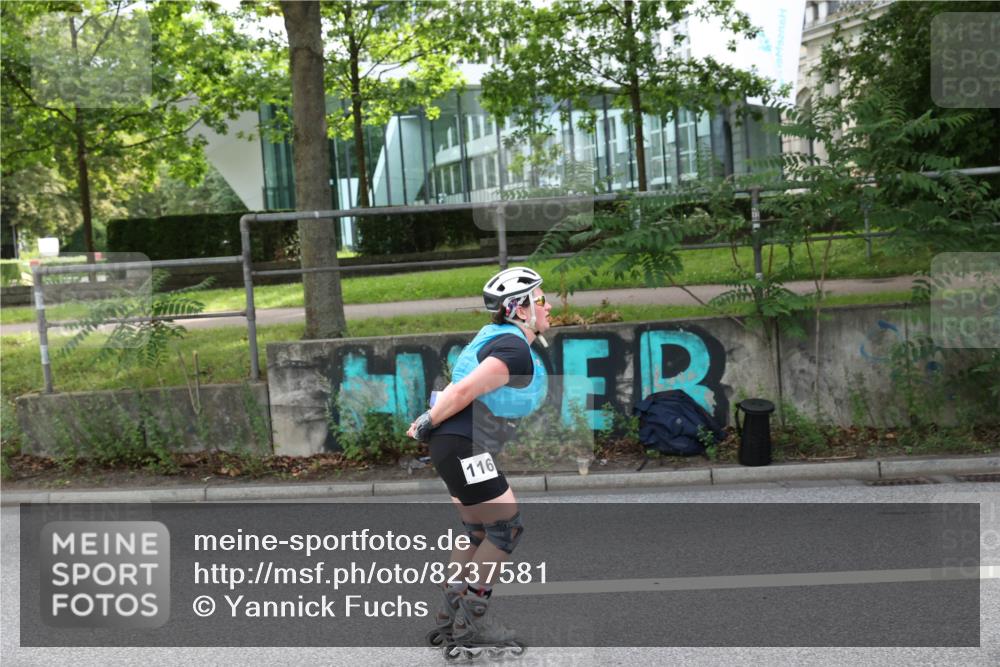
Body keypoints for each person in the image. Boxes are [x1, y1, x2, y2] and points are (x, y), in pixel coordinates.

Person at [407, 266, 552, 658]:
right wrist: (426, 422)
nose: (548, 305)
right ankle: (474, 620)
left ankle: (449, 612)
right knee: (506, 529)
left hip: (455, 445)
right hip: (464, 446)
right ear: (520, 310)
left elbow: (460, 385)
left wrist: (431, 424)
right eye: (540, 300)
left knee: (478, 532)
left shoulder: (498, 339)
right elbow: (467, 388)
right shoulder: (514, 347)